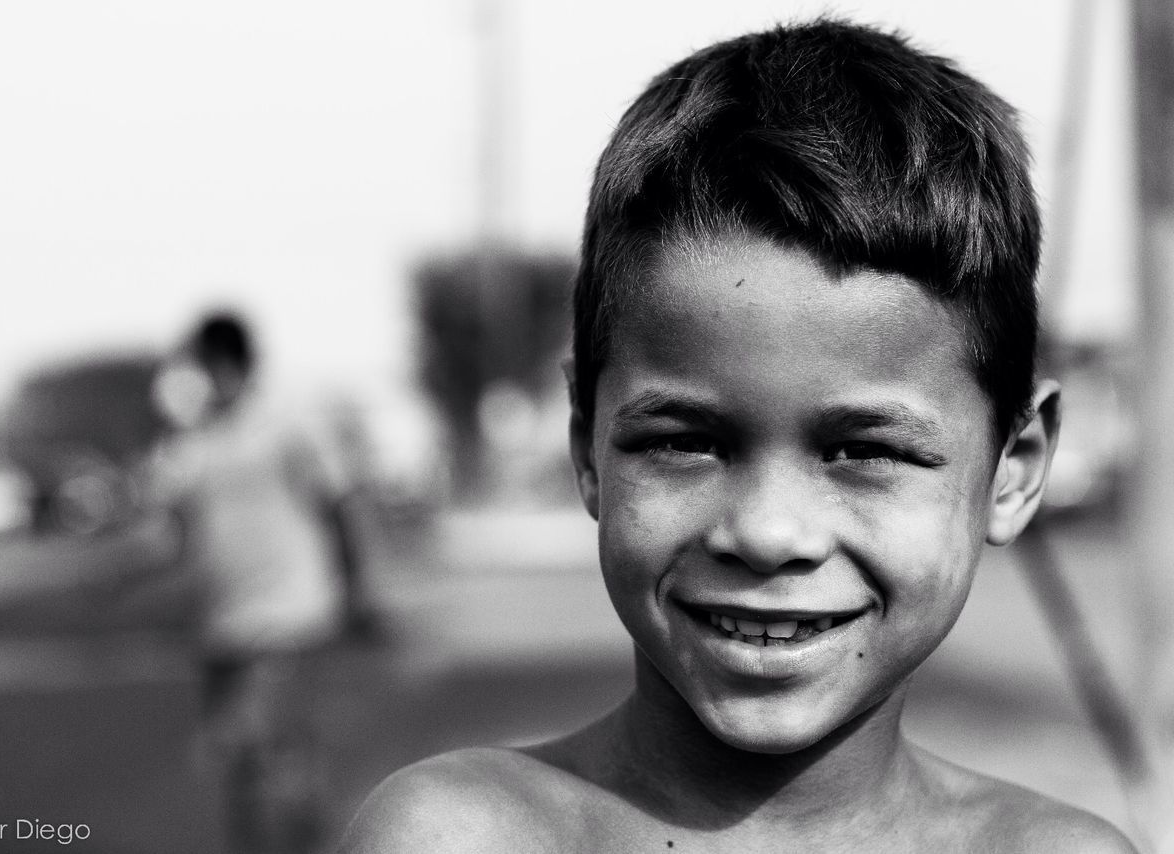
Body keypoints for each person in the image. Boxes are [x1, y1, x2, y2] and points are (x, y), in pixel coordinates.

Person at [338, 19, 1138, 852]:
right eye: (684, 441)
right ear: (587, 443)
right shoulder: (464, 836)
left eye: (867, 452)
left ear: (1014, 468)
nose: (766, 533)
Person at [149, 310, 362, 853]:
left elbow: (337, 505)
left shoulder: (288, 426)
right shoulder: (191, 444)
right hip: (221, 628)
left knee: (269, 751)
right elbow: (170, 535)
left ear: (224, 363)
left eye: (196, 363)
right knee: (241, 767)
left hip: (288, 617)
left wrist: (357, 588)